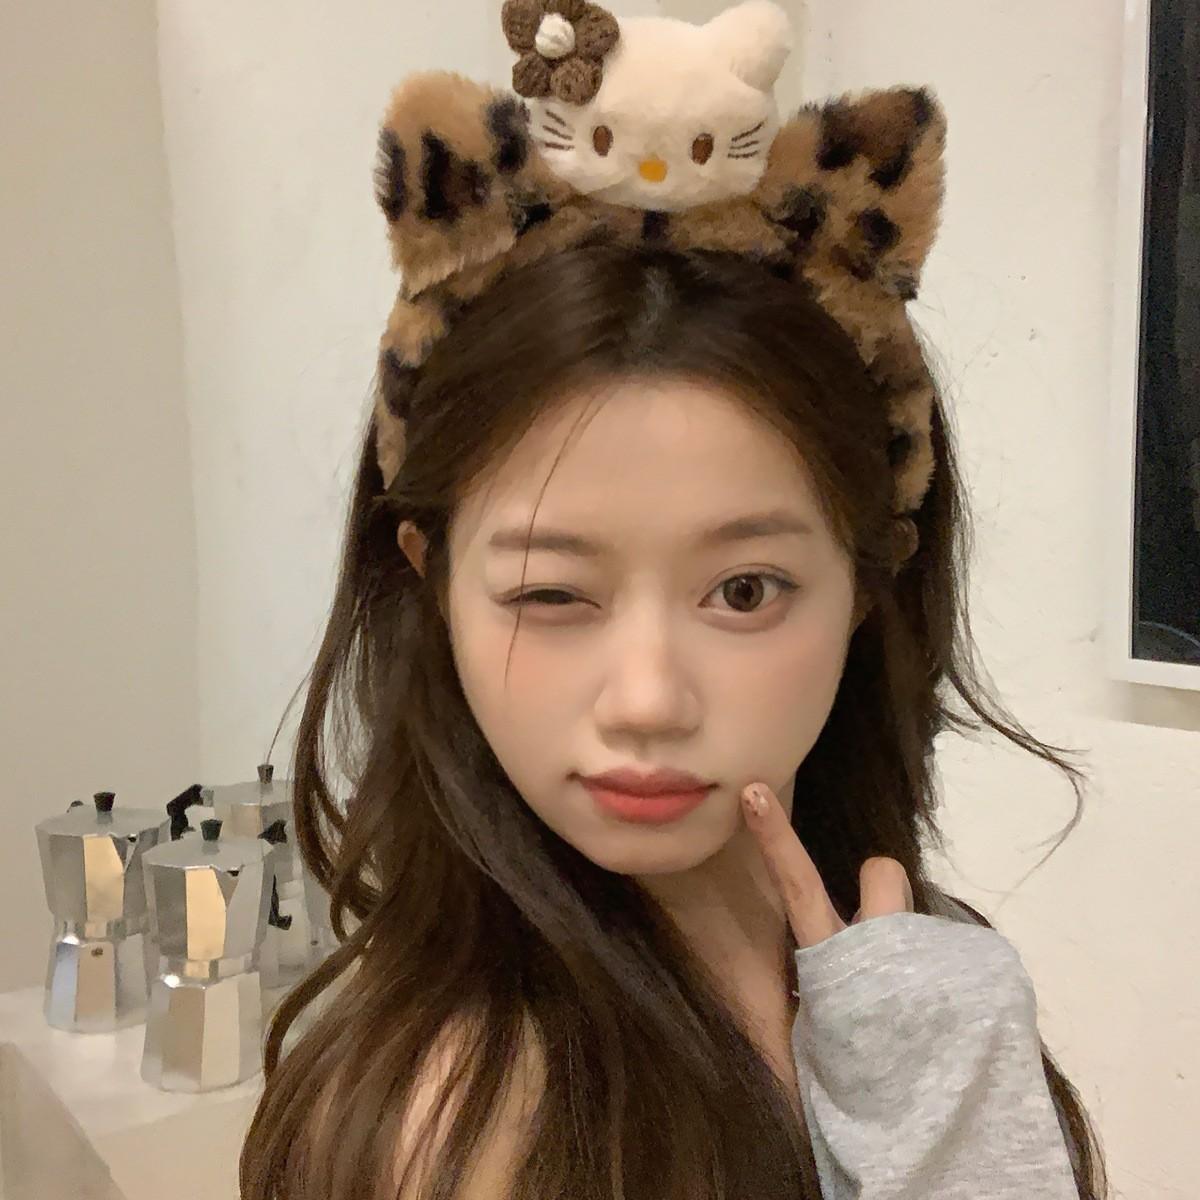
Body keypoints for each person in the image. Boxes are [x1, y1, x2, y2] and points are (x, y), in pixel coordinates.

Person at [239, 2, 1109, 1197]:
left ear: (868, 583)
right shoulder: (459, 1120)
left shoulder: (920, 992)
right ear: (431, 581)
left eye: (744, 591)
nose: (647, 699)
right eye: (552, 592)